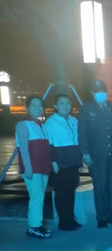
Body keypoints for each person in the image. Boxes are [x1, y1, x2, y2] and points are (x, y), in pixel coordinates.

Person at [78, 80, 112, 228]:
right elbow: (82, 133)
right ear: (92, 93)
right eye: (98, 91)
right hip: (97, 155)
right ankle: (102, 216)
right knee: (100, 186)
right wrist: (85, 153)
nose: (101, 94)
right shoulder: (86, 109)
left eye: (103, 91)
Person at [43, 94, 82, 231]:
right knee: (61, 193)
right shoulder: (51, 122)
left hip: (73, 162)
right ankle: (64, 222)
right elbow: (49, 144)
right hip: (61, 162)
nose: (65, 106)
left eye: (67, 103)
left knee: (70, 192)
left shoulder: (74, 121)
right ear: (55, 106)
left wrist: (80, 160)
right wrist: (54, 162)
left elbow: (78, 142)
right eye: (61, 103)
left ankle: (71, 219)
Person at [16, 95, 52, 239]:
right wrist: (28, 167)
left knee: (40, 197)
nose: (38, 108)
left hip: (43, 167)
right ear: (27, 108)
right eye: (34, 105)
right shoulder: (23, 125)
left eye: (40, 105)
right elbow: (23, 148)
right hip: (33, 168)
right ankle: (34, 227)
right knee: (36, 197)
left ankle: (38, 225)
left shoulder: (42, 126)